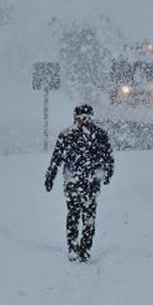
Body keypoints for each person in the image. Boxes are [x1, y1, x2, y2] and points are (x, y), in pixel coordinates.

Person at [44, 104, 114, 262]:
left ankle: (85, 248)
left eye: (87, 118)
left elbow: (108, 157)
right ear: (75, 119)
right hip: (73, 181)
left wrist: (108, 172)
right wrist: (50, 176)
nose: (84, 121)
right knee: (74, 214)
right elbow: (56, 159)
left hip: (90, 181)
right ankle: (73, 246)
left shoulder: (100, 135)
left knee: (88, 217)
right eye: (81, 118)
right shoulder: (67, 136)